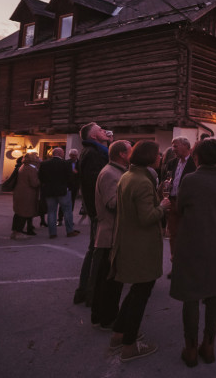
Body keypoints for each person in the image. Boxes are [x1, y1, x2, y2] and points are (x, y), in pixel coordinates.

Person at [168, 139, 216, 367]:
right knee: (214, 293)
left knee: (191, 295)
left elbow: (181, 207)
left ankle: (190, 348)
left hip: (191, 241)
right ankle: (209, 344)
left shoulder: (190, 179)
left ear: (197, 157)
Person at [108, 141, 165, 362]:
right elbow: (147, 217)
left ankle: (119, 334)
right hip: (141, 246)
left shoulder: (127, 176)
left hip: (129, 242)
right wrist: (164, 207)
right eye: (158, 154)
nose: (160, 157)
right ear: (150, 157)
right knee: (141, 294)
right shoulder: (141, 181)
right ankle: (129, 345)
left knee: (135, 293)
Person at [91, 140, 132, 331]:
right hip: (110, 235)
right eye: (130, 151)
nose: (133, 153)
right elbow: (112, 203)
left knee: (112, 280)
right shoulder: (109, 173)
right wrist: (135, 199)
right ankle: (106, 318)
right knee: (108, 281)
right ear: (122, 154)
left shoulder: (118, 171)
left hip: (115, 233)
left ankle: (104, 315)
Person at [74, 122, 112, 305]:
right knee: (97, 251)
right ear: (94, 136)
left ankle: (86, 290)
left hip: (97, 210)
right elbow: (95, 185)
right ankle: (89, 292)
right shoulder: (93, 155)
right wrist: (97, 211)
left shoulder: (98, 152)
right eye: (100, 130)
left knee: (96, 250)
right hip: (100, 211)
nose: (104, 130)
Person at [162, 137, 197, 264]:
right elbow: (165, 179)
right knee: (173, 234)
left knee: (187, 234)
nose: (173, 149)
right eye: (173, 146)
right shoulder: (172, 163)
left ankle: (186, 263)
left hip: (186, 204)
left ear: (185, 146)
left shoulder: (194, 163)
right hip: (172, 201)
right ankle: (174, 261)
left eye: (175, 146)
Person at [39, 148, 79, 238]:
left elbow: (40, 177)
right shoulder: (66, 163)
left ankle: (52, 233)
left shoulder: (44, 164)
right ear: (61, 154)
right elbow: (70, 177)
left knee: (51, 212)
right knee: (67, 211)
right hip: (63, 190)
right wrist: (70, 187)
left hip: (49, 191)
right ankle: (69, 231)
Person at [10, 152, 41, 239]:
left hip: (20, 192)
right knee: (24, 213)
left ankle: (15, 231)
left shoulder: (23, 166)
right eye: (36, 157)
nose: (38, 159)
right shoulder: (30, 169)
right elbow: (34, 183)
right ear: (33, 159)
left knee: (18, 213)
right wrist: (40, 181)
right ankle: (18, 233)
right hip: (27, 194)